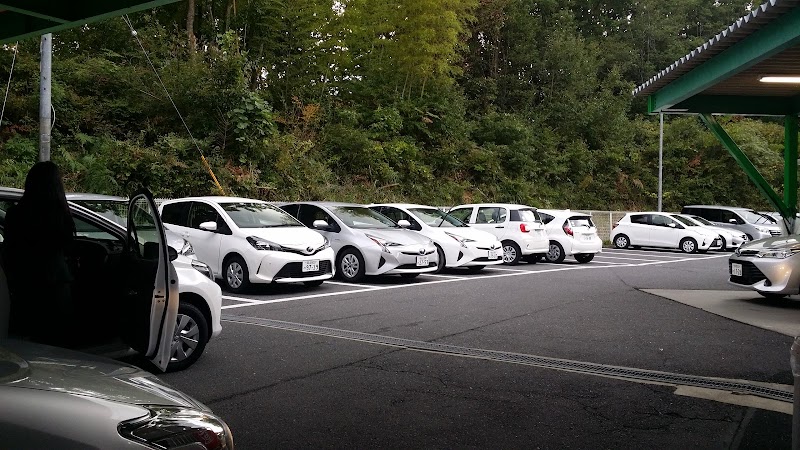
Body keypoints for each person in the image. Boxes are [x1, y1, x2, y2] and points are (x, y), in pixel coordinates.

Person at [2, 161, 76, 344]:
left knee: (28, 339)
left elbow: (10, 250)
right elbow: (68, 246)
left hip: (26, 283)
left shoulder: (15, 214)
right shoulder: (61, 215)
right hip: (56, 282)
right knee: (56, 340)